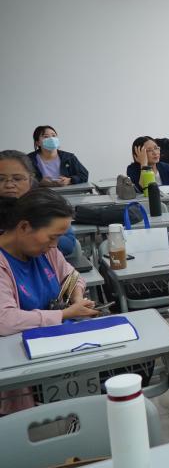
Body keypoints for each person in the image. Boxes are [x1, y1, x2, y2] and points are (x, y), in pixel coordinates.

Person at [1, 189, 99, 414]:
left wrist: (77, 296)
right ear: (24, 227)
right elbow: (5, 320)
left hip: (54, 346)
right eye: (52, 236)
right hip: (19, 362)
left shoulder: (46, 252)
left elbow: (72, 276)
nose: (55, 244)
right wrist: (65, 314)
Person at [0, 150, 75, 256]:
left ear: (31, 179)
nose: (9, 185)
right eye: (1, 179)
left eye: (17, 179)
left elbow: (68, 246)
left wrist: (43, 234)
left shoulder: (46, 203)